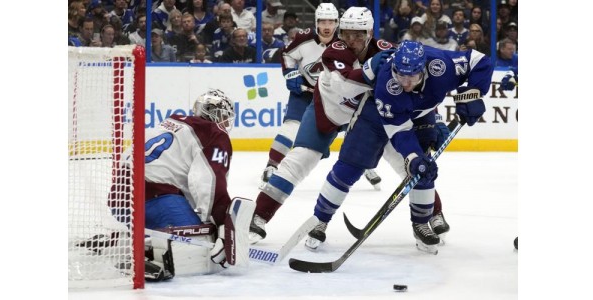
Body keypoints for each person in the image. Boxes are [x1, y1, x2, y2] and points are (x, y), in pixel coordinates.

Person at [303, 40, 493, 253]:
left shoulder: (442, 66)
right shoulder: (388, 85)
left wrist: (474, 92)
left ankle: (421, 224)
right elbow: (399, 131)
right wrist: (412, 157)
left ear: (424, 70)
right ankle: (320, 219)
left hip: (422, 114)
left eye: (411, 77)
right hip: (375, 114)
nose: (405, 83)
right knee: (349, 166)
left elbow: (480, 60)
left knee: (425, 170)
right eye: (400, 75)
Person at [249, 6, 395, 244]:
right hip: (326, 112)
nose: (351, 40)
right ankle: (258, 216)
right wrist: (371, 69)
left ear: (370, 32)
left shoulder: (385, 51)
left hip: (362, 118)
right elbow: (347, 85)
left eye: (358, 34)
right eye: (346, 33)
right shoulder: (334, 52)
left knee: (405, 158)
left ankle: (429, 217)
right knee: (298, 160)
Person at [109, 89, 254, 280]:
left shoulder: (172, 122)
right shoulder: (213, 134)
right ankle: (150, 251)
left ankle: (135, 238)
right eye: (225, 116)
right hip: (155, 199)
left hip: (119, 199)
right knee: (201, 243)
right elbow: (208, 182)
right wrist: (222, 222)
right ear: (216, 114)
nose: (226, 122)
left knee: (195, 225)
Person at [258, 2, 339, 184]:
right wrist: (291, 74)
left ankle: (366, 167)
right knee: (291, 127)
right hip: (304, 92)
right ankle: (272, 165)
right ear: (316, 22)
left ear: (337, 23)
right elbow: (287, 55)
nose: (327, 27)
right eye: (323, 21)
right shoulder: (304, 38)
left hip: (331, 97)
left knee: (354, 127)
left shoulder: (344, 44)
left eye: (331, 22)